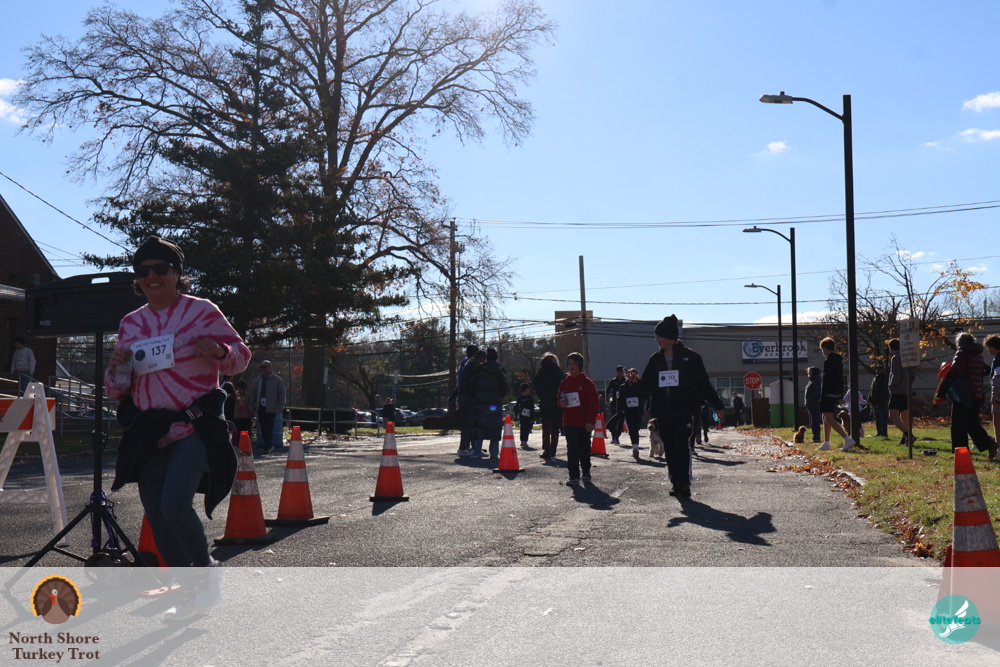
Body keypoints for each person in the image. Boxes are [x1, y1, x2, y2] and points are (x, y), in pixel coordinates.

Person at [105, 236, 251, 620]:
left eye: (161, 269)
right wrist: (117, 366)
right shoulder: (131, 323)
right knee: (156, 514)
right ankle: (189, 594)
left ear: (177, 274)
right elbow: (118, 389)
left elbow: (240, 358)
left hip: (195, 426)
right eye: (144, 271)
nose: (152, 276)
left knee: (174, 505)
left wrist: (220, 351)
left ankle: (206, 573)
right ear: (138, 279)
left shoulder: (201, 311)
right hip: (150, 432)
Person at [640, 315, 724, 498]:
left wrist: (717, 405)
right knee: (670, 447)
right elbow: (645, 386)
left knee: (682, 446)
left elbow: (703, 384)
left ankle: (684, 482)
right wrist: (634, 382)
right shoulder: (655, 359)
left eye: (658, 336)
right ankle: (675, 482)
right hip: (663, 412)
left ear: (669, 337)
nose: (656, 340)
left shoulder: (691, 358)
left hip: (684, 410)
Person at [946, 332, 998, 458]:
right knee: (970, 423)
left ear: (960, 343)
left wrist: (946, 373)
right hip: (977, 394)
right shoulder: (978, 355)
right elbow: (983, 370)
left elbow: (955, 371)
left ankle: (961, 452)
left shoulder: (962, 353)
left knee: (958, 425)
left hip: (963, 394)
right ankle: (989, 444)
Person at [558, 352, 599, 486]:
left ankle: (586, 471)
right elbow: (559, 398)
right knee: (572, 449)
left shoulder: (587, 383)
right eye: (569, 363)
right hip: (569, 421)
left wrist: (591, 421)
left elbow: (594, 404)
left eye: (574, 363)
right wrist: (561, 403)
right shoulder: (564, 382)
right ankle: (574, 476)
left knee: (584, 449)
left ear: (580, 365)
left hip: (584, 423)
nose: (571, 366)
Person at [819, 337, 855, 452]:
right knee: (825, 417)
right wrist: (840, 395)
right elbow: (839, 378)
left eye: (822, 349)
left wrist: (823, 393)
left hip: (828, 393)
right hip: (835, 392)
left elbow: (827, 380)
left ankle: (847, 439)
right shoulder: (838, 361)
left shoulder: (829, 362)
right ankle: (826, 442)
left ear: (825, 348)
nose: (822, 352)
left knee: (828, 418)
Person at [471, 348, 507, 458]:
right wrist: (500, 396)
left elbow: (472, 384)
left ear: (487, 358)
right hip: (495, 402)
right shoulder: (500, 370)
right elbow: (504, 387)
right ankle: (494, 453)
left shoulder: (479, 369)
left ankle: (477, 451)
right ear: (496, 357)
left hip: (481, 401)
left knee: (480, 426)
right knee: (495, 427)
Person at [251, 360, 286, 454]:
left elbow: (282, 394)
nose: (263, 369)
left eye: (265, 367)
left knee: (269, 427)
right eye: (261, 367)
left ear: (270, 367)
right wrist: (251, 405)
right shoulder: (258, 380)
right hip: (260, 407)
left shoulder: (277, 380)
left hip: (271, 408)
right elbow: (253, 393)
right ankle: (268, 445)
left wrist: (281, 405)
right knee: (262, 427)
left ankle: (268, 446)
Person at [533, 352, 563, 460]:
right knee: (555, 428)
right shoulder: (558, 372)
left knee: (546, 427)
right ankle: (553, 449)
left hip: (545, 401)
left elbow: (536, 384)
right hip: (556, 402)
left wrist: (542, 395)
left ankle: (546, 449)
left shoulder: (542, 371)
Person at [887, 338, 917, 446]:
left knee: (893, 416)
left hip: (897, 391)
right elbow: (913, 375)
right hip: (906, 390)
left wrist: (890, 384)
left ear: (891, 348)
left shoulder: (895, 358)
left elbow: (895, 375)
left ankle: (909, 435)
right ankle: (905, 439)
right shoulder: (907, 358)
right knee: (905, 415)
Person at [615, 367, 645, 459]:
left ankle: (635, 445)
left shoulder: (641, 384)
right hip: (628, 411)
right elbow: (620, 400)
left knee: (637, 427)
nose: (632, 376)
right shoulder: (624, 387)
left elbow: (646, 393)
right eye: (630, 374)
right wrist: (619, 410)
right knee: (632, 429)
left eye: (634, 374)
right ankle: (635, 447)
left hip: (638, 411)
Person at [456, 349, 482, 457]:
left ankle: (468, 447)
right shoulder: (474, 365)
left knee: (467, 423)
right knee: (469, 423)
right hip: (468, 396)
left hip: (461, 395)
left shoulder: (464, 364)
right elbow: (474, 381)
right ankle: (465, 448)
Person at [605, 365, 628, 445]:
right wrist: (609, 395)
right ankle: (613, 436)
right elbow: (608, 390)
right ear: (616, 372)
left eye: (621, 372)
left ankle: (617, 436)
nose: (620, 373)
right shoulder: (613, 381)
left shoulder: (626, 381)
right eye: (618, 372)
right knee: (614, 420)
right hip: (614, 403)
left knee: (621, 420)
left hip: (622, 404)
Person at [869, 364, 890, 438]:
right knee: (877, 418)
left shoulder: (885, 379)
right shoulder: (875, 378)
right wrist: (870, 399)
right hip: (875, 402)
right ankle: (879, 432)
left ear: (882, 370)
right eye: (877, 369)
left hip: (882, 402)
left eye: (879, 369)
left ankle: (884, 433)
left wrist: (877, 400)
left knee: (883, 418)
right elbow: (871, 390)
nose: (877, 370)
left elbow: (883, 392)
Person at [986, 334, 1000, 445]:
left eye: (989, 347)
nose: (988, 350)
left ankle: (999, 445)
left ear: (994, 346)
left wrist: (993, 395)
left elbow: (997, 379)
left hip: (999, 395)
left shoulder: (997, 360)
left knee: (997, 422)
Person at [804, 366, 823, 443]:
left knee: (815, 421)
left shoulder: (816, 380)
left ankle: (816, 437)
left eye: (809, 371)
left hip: (814, 404)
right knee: (813, 421)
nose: (808, 373)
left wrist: (809, 400)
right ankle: (815, 437)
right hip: (811, 404)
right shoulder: (812, 380)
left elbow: (816, 393)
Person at [232, 379, 253, 445]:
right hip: (237, 418)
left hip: (245, 418)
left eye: (243, 389)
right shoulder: (234, 396)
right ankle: (236, 445)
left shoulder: (248, 396)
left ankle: (245, 446)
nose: (241, 391)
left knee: (245, 434)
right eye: (240, 389)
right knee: (237, 434)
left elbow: (250, 405)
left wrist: (250, 413)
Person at [515, 383, 535, 448]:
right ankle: (522, 440)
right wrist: (516, 415)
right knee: (523, 428)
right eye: (528, 389)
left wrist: (532, 415)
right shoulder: (520, 398)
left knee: (527, 428)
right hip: (522, 415)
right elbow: (517, 406)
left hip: (528, 415)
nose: (529, 390)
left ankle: (525, 440)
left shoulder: (530, 398)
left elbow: (532, 407)